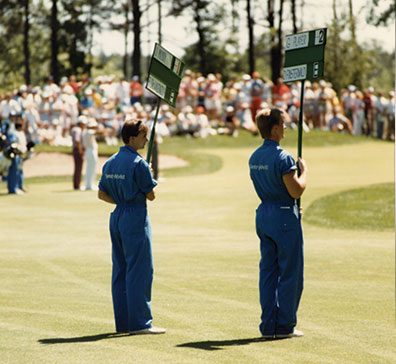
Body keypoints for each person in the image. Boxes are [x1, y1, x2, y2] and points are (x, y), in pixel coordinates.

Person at [97, 118, 165, 335]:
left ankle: (124, 323)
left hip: (117, 215)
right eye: (144, 136)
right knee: (140, 269)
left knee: (121, 270)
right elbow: (151, 195)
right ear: (132, 138)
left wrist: (122, 200)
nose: (147, 139)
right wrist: (149, 173)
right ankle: (140, 323)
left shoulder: (111, 161)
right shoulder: (139, 163)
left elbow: (101, 194)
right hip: (135, 216)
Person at [249, 108, 307, 339]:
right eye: (282, 123)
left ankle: (269, 324)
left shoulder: (254, 156)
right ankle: (284, 326)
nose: (285, 127)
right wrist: (305, 172)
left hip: (264, 213)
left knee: (268, 272)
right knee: (290, 271)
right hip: (283, 215)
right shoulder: (283, 157)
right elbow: (295, 189)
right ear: (274, 129)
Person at [82, 118, 99, 190]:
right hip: (90, 151)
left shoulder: (87, 132)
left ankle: (91, 184)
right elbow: (97, 132)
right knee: (90, 168)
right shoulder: (88, 132)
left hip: (90, 151)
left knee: (92, 168)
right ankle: (89, 185)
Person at [71, 115, 86, 190]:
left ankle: (77, 184)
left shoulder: (75, 129)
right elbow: (77, 141)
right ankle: (77, 185)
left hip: (76, 149)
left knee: (78, 168)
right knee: (78, 168)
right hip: (78, 150)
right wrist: (81, 151)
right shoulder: (77, 130)